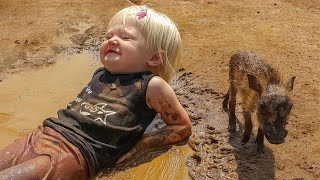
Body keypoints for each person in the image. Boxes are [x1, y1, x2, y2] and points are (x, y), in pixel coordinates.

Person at [0, 5, 192, 180]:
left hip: (74, 153)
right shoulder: (101, 74)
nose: (112, 41)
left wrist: (138, 147)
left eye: (125, 37)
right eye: (108, 36)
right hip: (43, 134)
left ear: (155, 57)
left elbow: (182, 127)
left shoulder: (152, 85)